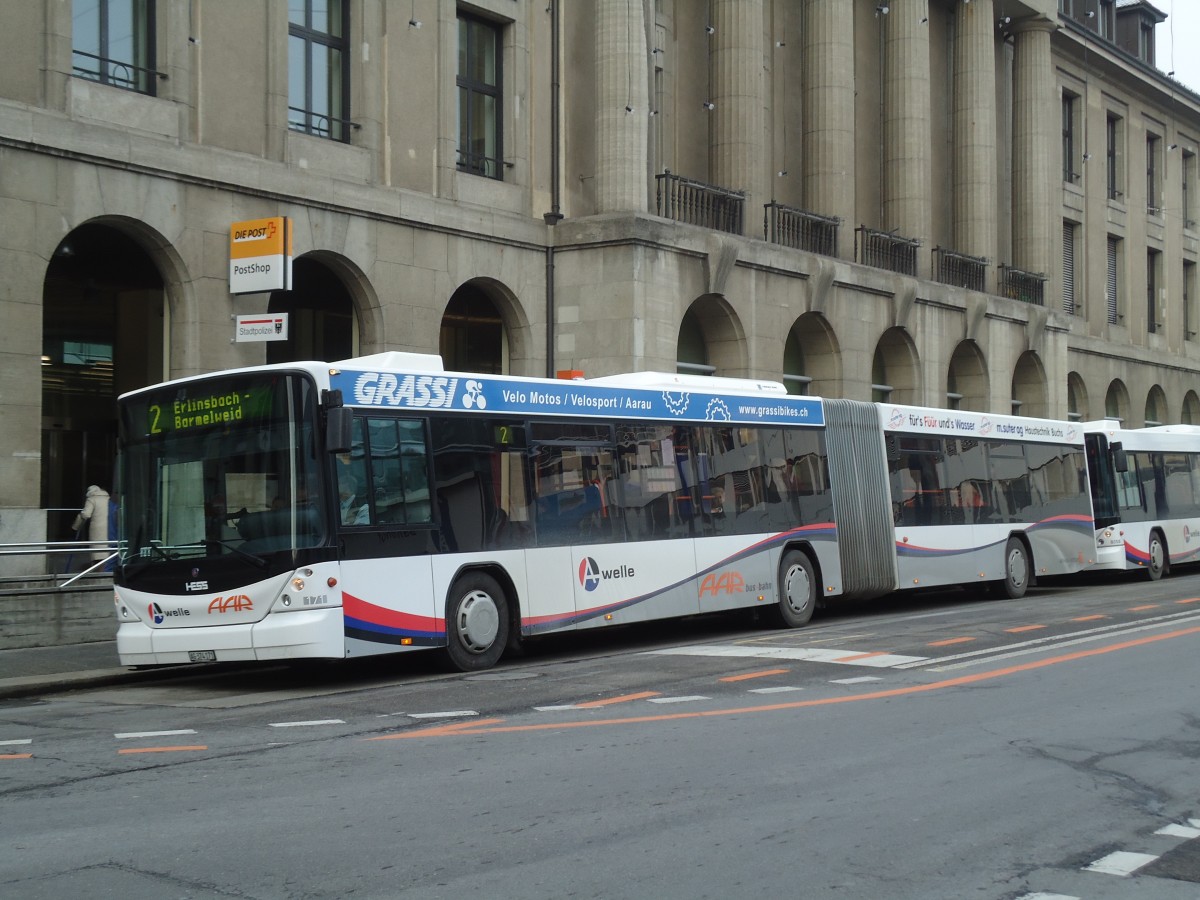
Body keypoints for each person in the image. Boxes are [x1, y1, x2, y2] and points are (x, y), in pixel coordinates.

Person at [71, 484, 110, 564]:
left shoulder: (92, 499)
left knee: (97, 553)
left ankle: (98, 573)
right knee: (106, 551)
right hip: (109, 527)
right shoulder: (108, 498)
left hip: (97, 529)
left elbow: (86, 514)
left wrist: (75, 526)